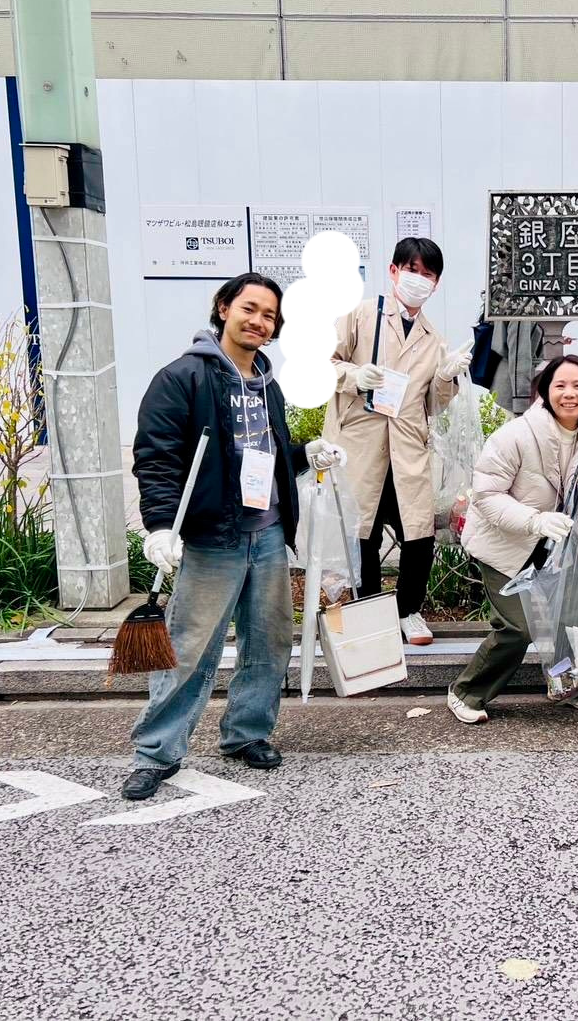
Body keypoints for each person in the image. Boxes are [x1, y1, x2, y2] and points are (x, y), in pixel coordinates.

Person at [126, 272, 344, 800]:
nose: (258, 321)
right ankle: (156, 752)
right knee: (188, 648)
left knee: (268, 642)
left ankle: (246, 732)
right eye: (249, 308)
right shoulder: (182, 378)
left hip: (268, 534)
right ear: (223, 308)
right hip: (212, 536)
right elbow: (157, 457)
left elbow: (263, 455)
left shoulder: (269, 384)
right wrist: (160, 526)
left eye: (269, 315)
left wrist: (304, 455)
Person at [313, 236, 473, 647]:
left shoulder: (433, 339)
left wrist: (446, 376)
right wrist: (355, 376)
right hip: (361, 445)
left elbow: (433, 404)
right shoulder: (358, 315)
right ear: (393, 271)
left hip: (406, 450)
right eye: (411, 270)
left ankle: (408, 611)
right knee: (361, 534)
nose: (418, 279)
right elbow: (322, 364)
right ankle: (368, 610)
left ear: (435, 284)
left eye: (427, 274)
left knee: (418, 534)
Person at [446, 355, 578, 723]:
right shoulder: (516, 435)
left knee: (573, 618)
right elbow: (486, 496)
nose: (569, 394)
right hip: (505, 545)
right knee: (518, 628)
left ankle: (565, 683)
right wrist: (535, 521)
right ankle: (466, 691)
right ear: (545, 392)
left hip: (558, 546)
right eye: (560, 385)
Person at [289, 242, 356, 394]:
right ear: (323, 264)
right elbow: (305, 340)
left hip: (339, 371)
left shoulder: (348, 294)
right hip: (319, 378)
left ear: (351, 265)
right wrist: (321, 371)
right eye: (331, 261)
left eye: (342, 261)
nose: (336, 266)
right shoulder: (313, 292)